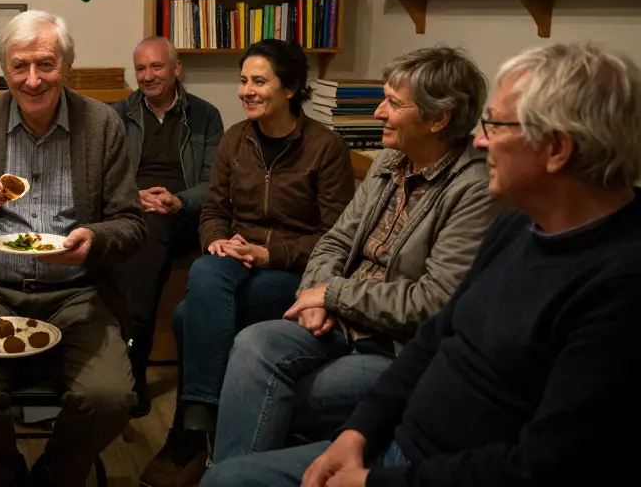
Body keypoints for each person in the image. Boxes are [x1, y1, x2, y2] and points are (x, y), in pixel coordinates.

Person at [205, 42, 641, 487]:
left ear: (557, 148)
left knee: (254, 410)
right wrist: (359, 428)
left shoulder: (612, 280)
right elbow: (431, 328)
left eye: (495, 124)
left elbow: (539, 461)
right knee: (253, 348)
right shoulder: (521, 228)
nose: (480, 138)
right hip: (371, 380)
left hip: (401, 401)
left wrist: (331, 294)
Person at [207, 46, 500, 473]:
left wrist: (332, 294)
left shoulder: (472, 189)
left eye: (394, 104)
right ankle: (233, 476)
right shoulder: (388, 163)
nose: (378, 112)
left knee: (269, 394)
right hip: (333, 322)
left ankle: (237, 476)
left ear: (439, 119)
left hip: (393, 348)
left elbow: (433, 302)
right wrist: (317, 295)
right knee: (251, 345)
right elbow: (333, 242)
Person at [0, 10, 145, 487]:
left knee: (110, 397)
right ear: (5, 69)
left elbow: (131, 225)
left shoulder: (103, 125)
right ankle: (4, 478)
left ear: (68, 64)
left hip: (79, 295)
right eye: (19, 66)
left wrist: (94, 242)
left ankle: (54, 474)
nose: (33, 79)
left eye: (45, 64)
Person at [143, 39, 354, 487]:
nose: (246, 91)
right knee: (204, 270)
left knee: (186, 316)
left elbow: (335, 237)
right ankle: (203, 426)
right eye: (243, 80)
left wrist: (270, 253)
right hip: (234, 259)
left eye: (259, 81)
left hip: (291, 271)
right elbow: (213, 210)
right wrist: (217, 241)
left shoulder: (325, 146)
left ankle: (191, 427)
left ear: (291, 88)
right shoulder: (236, 138)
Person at [112, 36, 224, 417]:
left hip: (184, 215)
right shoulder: (118, 114)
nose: (147, 76)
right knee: (146, 227)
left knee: (153, 227)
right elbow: (102, 178)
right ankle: (126, 366)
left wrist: (179, 201)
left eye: (156, 67)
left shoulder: (206, 116)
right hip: (133, 209)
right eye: (140, 68)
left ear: (176, 69)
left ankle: (133, 368)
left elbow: (213, 184)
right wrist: (133, 197)